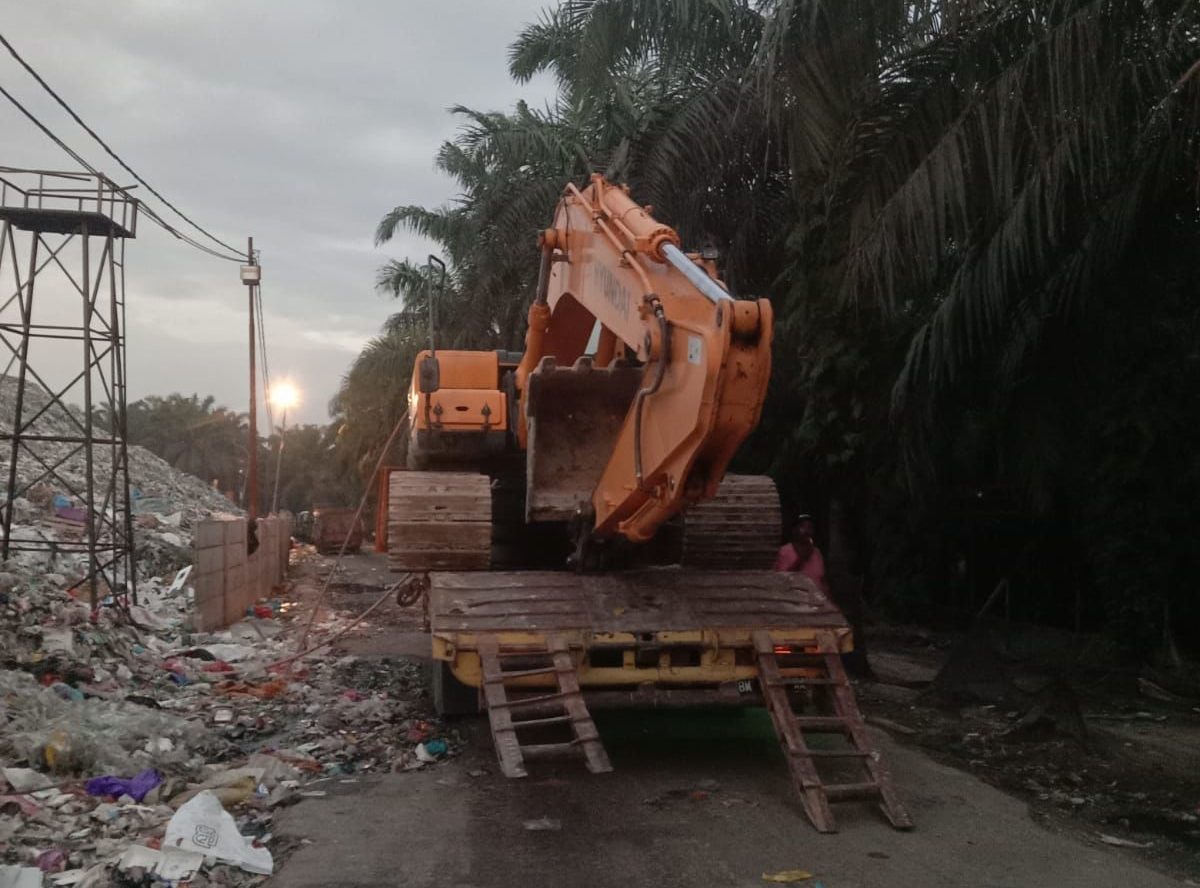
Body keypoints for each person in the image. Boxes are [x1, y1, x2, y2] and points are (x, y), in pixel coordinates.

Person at [774, 513, 827, 591]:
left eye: (810, 527)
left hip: (816, 600)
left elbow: (823, 581)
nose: (807, 530)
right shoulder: (784, 551)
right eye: (802, 526)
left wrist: (829, 600)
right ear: (794, 530)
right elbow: (780, 581)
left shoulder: (817, 552)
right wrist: (801, 559)